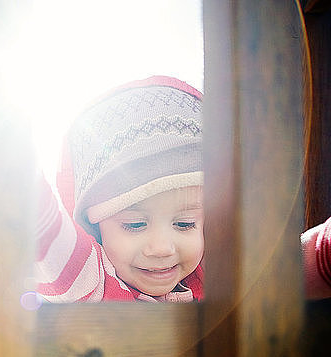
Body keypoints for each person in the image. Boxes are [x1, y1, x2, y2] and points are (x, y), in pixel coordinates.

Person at [34, 75, 331, 303]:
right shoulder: (91, 283)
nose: (162, 248)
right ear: (95, 225)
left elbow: (302, 264)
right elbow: (37, 224)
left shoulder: (219, 278)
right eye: (134, 224)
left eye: (185, 223)